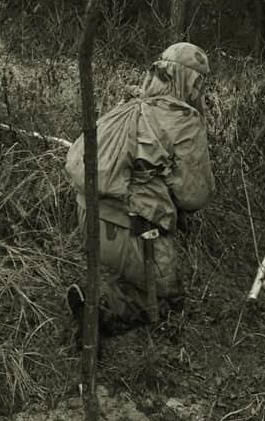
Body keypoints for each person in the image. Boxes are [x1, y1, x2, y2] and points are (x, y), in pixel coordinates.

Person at [64, 42, 215, 338]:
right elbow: (194, 195)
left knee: (136, 281)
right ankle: (97, 308)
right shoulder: (184, 120)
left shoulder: (130, 106)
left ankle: (95, 313)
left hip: (89, 217)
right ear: (191, 83)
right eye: (200, 84)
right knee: (164, 300)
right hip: (135, 230)